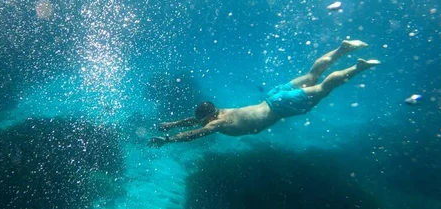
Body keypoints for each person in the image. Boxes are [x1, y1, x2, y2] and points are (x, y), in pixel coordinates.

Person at [147, 40, 380, 148]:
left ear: (209, 116)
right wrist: (173, 123)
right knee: (311, 75)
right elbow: (196, 122)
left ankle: (357, 67)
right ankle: (343, 49)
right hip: (272, 96)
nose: (205, 122)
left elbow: (196, 132)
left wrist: (169, 140)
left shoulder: (217, 123)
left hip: (281, 106)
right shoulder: (221, 112)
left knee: (322, 88)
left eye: (205, 119)